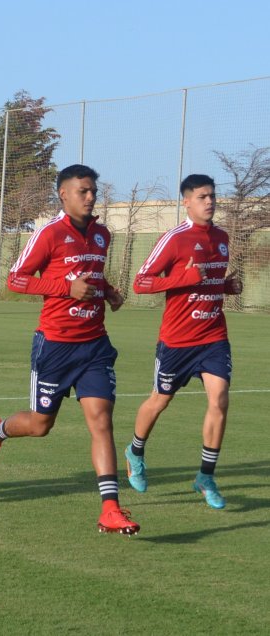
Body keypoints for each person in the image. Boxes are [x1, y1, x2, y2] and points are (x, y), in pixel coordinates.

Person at [0, 164, 139, 535]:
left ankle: (110, 508)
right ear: (64, 195)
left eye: (93, 190)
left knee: (101, 421)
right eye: (83, 191)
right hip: (56, 346)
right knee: (40, 425)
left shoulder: (102, 235)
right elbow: (16, 279)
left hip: (95, 345)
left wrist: (108, 290)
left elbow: (90, 274)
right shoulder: (49, 233)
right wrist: (66, 290)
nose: (90, 196)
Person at [124, 174, 242, 509]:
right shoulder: (174, 239)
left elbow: (209, 282)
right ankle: (135, 451)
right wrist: (185, 277)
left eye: (213, 196)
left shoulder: (221, 237)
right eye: (202, 197)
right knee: (159, 402)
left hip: (213, 336)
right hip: (177, 340)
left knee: (219, 400)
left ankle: (205, 476)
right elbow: (140, 282)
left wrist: (225, 287)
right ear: (187, 201)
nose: (210, 202)